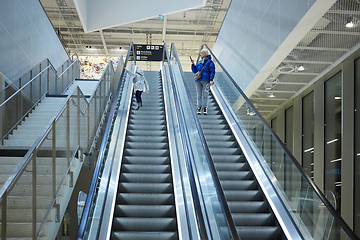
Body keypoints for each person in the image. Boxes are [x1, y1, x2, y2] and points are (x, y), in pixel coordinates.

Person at [191, 48, 215, 115]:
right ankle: (199, 108)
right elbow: (195, 71)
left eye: (201, 53)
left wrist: (211, 80)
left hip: (206, 80)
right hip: (198, 80)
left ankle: (205, 108)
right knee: (199, 95)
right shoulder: (199, 62)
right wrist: (193, 64)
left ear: (205, 53)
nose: (200, 54)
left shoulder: (210, 62)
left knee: (205, 95)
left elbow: (212, 71)